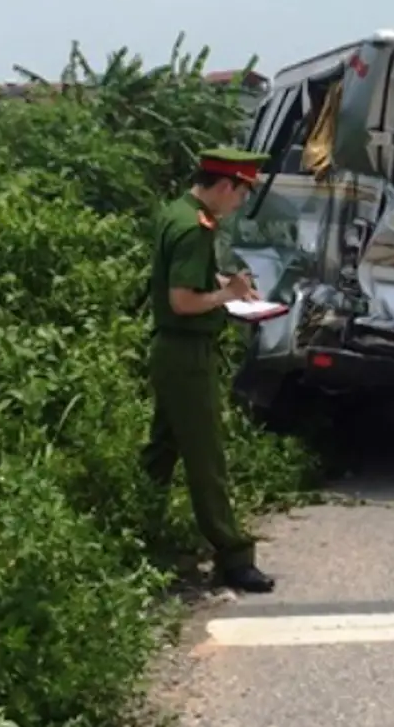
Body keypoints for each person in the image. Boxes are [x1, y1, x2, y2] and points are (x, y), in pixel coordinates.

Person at [141, 146, 277, 594]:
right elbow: (182, 301)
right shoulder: (194, 230)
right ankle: (234, 556)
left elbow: (183, 279)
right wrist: (226, 296)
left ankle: (138, 529)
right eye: (241, 193)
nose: (240, 203)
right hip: (186, 354)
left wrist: (224, 284)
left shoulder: (177, 212)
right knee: (206, 457)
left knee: (162, 449)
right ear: (224, 186)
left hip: (170, 351)